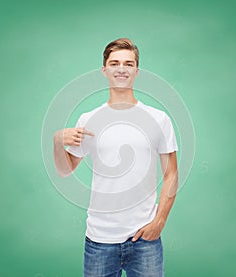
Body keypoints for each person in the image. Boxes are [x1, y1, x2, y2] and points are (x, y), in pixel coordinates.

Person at [53, 38, 178, 277]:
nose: (121, 68)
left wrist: (159, 221)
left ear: (136, 71)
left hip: (145, 240)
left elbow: (171, 172)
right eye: (115, 63)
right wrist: (57, 142)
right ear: (105, 70)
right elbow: (64, 170)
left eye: (128, 64)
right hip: (99, 240)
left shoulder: (159, 119)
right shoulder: (88, 119)